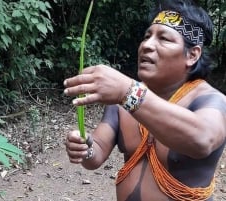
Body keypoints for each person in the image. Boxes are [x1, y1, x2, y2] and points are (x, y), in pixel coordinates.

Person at [63, 0, 226, 201]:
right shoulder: (121, 101)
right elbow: (95, 155)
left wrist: (128, 92)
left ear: (192, 55)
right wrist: (85, 148)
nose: (147, 45)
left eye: (164, 39)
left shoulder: (212, 101)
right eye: (147, 36)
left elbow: (202, 140)